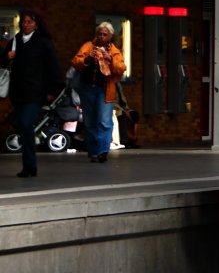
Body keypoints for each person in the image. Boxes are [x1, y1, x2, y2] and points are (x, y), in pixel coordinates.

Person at [0, 10, 62, 178]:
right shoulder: (15, 41)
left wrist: (52, 90)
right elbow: (2, 62)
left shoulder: (43, 43)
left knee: (26, 123)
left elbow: (53, 68)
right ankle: (30, 156)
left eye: (30, 21)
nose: (26, 24)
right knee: (18, 122)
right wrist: (7, 56)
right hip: (17, 92)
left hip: (35, 92)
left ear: (36, 24)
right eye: (24, 21)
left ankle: (30, 165)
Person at [72, 22, 126, 163]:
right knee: (90, 122)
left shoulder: (114, 50)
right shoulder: (88, 46)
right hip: (87, 88)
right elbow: (76, 62)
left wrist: (110, 58)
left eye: (105, 34)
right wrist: (88, 58)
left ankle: (102, 151)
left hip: (105, 90)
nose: (101, 37)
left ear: (110, 36)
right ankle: (93, 152)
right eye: (100, 34)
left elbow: (121, 67)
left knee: (104, 121)